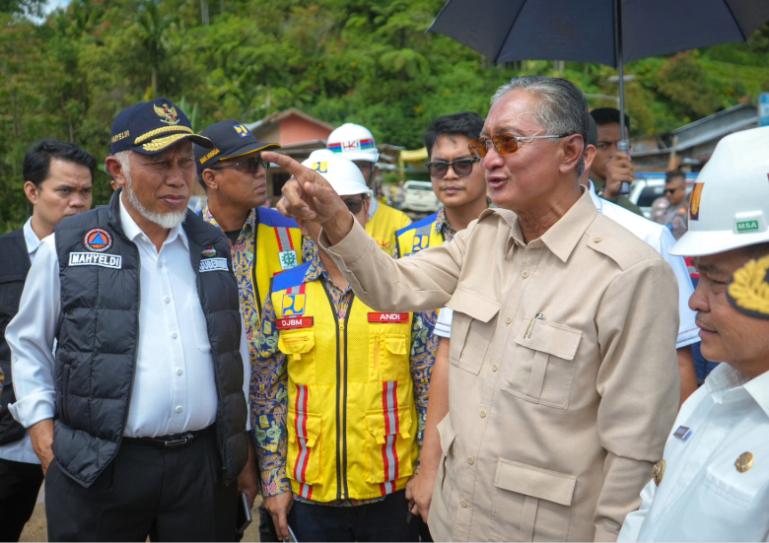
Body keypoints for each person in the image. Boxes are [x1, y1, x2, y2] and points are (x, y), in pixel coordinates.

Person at [269, 76, 680, 541]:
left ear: (570, 153)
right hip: (457, 521)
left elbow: (635, 451)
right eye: (487, 144)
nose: (489, 161)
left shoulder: (629, 273)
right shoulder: (485, 237)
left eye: (507, 142)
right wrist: (334, 218)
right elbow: (392, 286)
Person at [6, 98, 250, 541]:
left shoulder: (210, 244)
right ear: (117, 171)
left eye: (185, 162)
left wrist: (240, 440)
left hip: (198, 466)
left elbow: (232, 346)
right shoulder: (70, 245)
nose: (177, 178)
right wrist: (42, 432)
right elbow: (28, 343)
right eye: (159, 163)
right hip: (99, 465)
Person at [254, 151, 425, 542]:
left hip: (393, 491)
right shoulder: (284, 291)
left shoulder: (403, 285)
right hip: (309, 495)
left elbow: (429, 389)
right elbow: (268, 395)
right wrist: (274, 483)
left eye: (349, 205)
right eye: (320, 206)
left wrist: (426, 473)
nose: (334, 216)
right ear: (301, 214)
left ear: (367, 207)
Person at [619, 126, 769, 541]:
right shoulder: (707, 398)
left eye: (718, 284)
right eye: (698, 279)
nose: (695, 302)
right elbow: (646, 517)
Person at [195, 119, 304, 542]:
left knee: (283, 528)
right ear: (211, 177)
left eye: (260, 163)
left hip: (288, 415)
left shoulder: (290, 231)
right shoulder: (185, 240)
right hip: (214, 423)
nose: (261, 173)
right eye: (245, 165)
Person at [0, 140, 95, 542]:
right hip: (10, 436)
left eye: (86, 192)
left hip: (83, 438)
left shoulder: (103, 256)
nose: (77, 202)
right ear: (32, 192)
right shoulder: (4, 256)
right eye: (65, 191)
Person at [583, 119, 699, 402]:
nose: (613, 154)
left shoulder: (647, 231)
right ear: (584, 152)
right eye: (603, 145)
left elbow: (678, 355)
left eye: (620, 145)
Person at [327, 122, 411, 255]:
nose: (351, 173)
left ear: (375, 171)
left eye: (360, 166)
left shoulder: (399, 223)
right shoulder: (314, 221)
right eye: (343, 166)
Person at [590, 107, 644, 215]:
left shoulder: (631, 211)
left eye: (622, 146)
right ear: (587, 151)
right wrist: (609, 197)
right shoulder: (572, 195)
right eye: (604, 145)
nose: (615, 153)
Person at [659, 169, 689, 239]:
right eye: (666, 191)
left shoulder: (690, 210)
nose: (668, 194)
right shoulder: (666, 207)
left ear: (683, 187)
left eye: (672, 191)